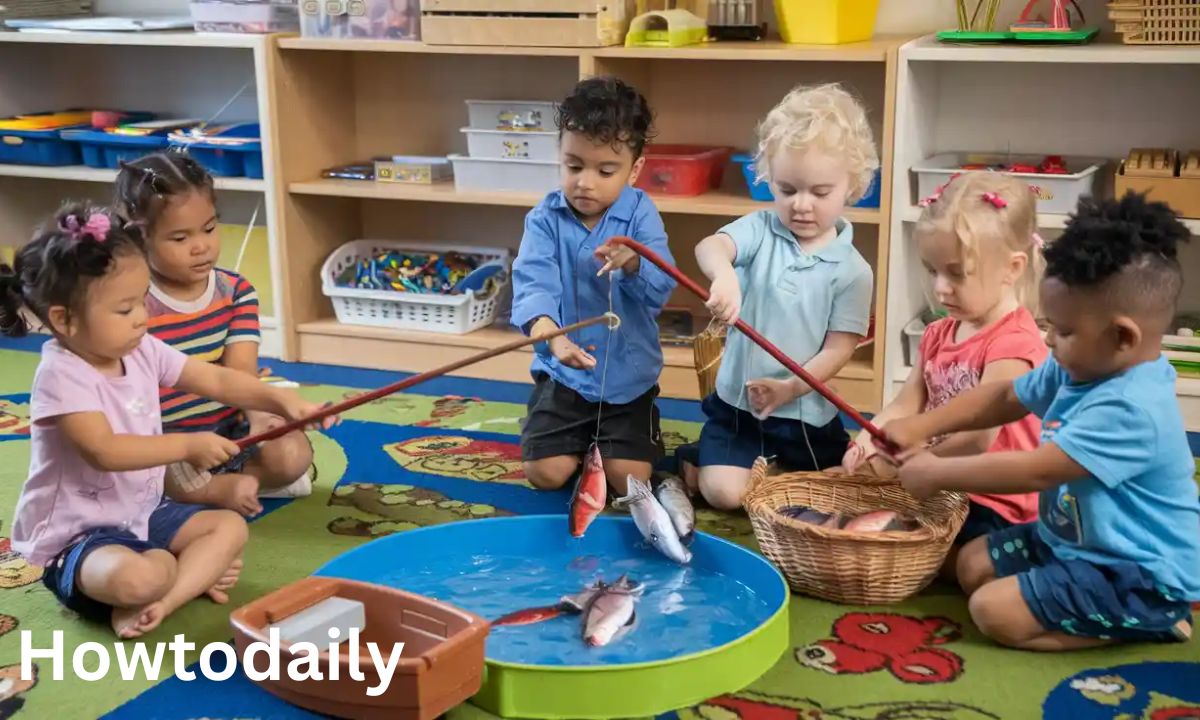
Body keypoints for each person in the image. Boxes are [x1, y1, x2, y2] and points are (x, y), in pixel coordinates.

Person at [0, 203, 336, 639]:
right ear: (64, 319)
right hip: (80, 535)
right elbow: (104, 451)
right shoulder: (61, 375)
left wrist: (282, 400)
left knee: (228, 527)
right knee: (141, 575)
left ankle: (163, 600)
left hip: (142, 512)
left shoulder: (141, 349)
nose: (142, 317)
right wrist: (188, 446)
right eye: (125, 310)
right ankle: (171, 578)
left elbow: (214, 378)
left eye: (142, 300)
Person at [883, 191, 1200, 650]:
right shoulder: (1081, 364)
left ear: (1122, 337)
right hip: (1071, 539)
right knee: (971, 565)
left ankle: (1151, 619)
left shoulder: (1131, 408)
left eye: (1063, 331)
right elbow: (1005, 395)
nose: (1048, 340)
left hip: (1136, 573)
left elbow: (1037, 470)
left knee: (992, 611)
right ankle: (1076, 595)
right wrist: (922, 425)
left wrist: (937, 472)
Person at [676, 83, 878, 510]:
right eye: (787, 189)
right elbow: (710, 247)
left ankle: (759, 473)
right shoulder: (760, 229)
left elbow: (839, 349)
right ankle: (723, 468)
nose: (801, 205)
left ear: (853, 187)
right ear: (768, 177)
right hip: (739, 411)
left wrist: (790, 389)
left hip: (806, 415)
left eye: (819, 193)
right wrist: (724, 275)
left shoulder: (854, 270)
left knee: (846, 486)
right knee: (724, 495)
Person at [842, 172, 1045, 579]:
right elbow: (906, 403)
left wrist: (911, 464)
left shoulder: (1015, 343)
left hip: (993, 499)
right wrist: (867, 441)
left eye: (957, 273)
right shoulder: (938, 332)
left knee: (897, 544)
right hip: (938, 480)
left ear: (1012, 268)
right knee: (850, 505)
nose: (940, 288)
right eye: (932, 270)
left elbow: (979, 438)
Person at [114, 152, 313, 518]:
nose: (201, 246)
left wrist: (260, 416)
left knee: (292, 453)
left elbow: (240, 374)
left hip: (226, 432)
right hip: (164, 442)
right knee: (150, 469)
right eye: (179, 237)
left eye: (208, 229)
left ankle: (226, 485)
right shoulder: (130, 303)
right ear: (139, 237)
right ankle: (215, 489)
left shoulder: (235, 292)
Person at [510, 76, 676, 498]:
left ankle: (605, 449)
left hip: (627, 380)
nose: (585, 182)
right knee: (545, 473)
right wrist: (550, 334)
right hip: (564, 376)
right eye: (573, 166)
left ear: (634, 170)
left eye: (605, 171)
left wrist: (635, 262)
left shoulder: (641, 214)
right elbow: (533, 282)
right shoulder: (544, 219)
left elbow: (661, 288)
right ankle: (573, 444)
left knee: (629, 481)